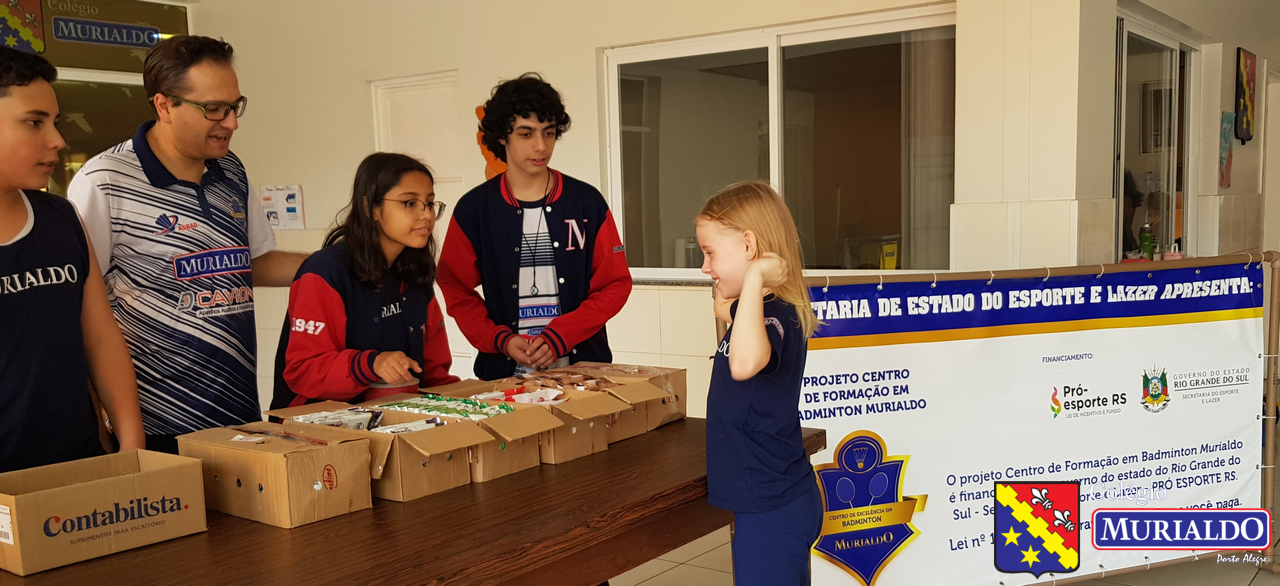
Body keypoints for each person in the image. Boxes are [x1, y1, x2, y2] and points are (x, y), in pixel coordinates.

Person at [67, 36, 307, 453]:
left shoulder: (231, 170)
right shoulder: (104, 181)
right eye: (214, 109)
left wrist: (343, 263)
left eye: (235, 106)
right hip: (155, 427)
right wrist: (108, 430)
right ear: (164, 106)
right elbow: (79, 312)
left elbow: (254, 263)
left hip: (239, 417)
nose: (231, 123)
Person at [0, 46, 145, 471]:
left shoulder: (61, 218)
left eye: (56, 122)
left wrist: (131, 447)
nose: (57, 140)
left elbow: (100, 337)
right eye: (34, 122)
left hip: (79, 465)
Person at [438, 73, 631, 380]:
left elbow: (615, 283)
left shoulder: (586, 201)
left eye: (549, 133)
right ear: (503, 136)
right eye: (526, 134)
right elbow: (455, 287)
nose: (541, 146)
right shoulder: (475, 209)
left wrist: (562, 334)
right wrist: (499, 339)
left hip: (583, 375)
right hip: (504, 377)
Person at [696, 181, 821, 585]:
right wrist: (742, 288)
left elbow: (744, 364)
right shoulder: (759, 310)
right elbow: (726, 311)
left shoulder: (773, 315)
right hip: (773, 500)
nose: (705, 267)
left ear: (749, 246)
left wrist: (753, 279)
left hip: (773, 507)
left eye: (710, 253)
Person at [272, 153, 459, 408]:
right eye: (410, 203)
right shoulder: (325, 272)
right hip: (315, 423)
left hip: (398, 419)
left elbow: (435, 375)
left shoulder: (415, 271)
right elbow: (304, 371)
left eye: (429, 203)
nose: (426, 215)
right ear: (370, 208)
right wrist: (371, 364)